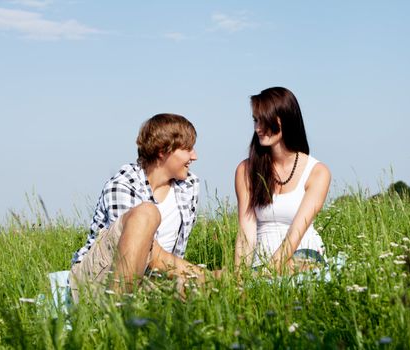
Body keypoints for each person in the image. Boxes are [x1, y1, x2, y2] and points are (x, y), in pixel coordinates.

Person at [70, 113, 208, 302]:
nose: (195, 156)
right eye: (188, 149)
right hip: (99, 279)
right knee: (147, 214)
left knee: (215, 292)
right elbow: (149, 254)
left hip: (154, 278)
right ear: (163, 150)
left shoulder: (189, 185)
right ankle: (116, 317)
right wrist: (200, 274)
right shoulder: (123, 185)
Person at [234, 87, 331, 274]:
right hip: (261, 262)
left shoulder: (317, 172)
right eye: (255, 120)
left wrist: (268, 270)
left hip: (303, 255)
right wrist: (239, 277)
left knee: (293, 271)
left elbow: (296, 232)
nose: (258, 128)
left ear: (286, 120)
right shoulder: (245, 170)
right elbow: (246, 232)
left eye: (265, 120)